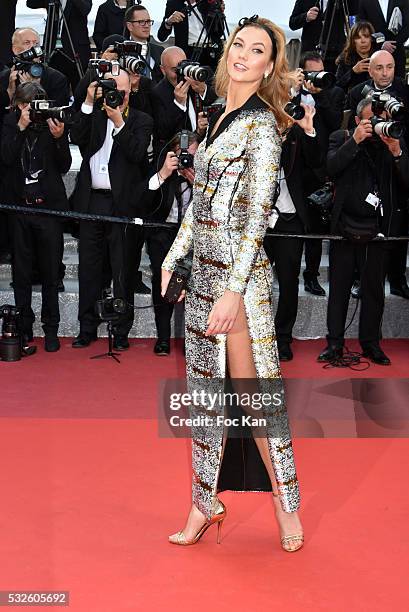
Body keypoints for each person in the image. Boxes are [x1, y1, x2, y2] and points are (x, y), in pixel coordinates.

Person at [161, 16, 303, 551]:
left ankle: (287, 507)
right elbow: (200, 207)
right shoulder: (216, 118)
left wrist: (234, 290)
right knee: (205, 402)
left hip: (240, 289)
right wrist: (176, 257)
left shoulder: (264, 126)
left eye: (257, 49)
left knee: (257, 401)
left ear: (270, 65)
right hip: (202, 282)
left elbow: (255, 218)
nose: (243, 54)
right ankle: (204, 504)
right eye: (238, 45)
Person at [318, 97, 409, 365]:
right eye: (372, 120)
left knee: (373, 292)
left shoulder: (392, 140)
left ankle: (371, 343)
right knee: (339, 290)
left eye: (381, 120)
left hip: (379, 230)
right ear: (358, 120)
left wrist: (396, 151)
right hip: (344, 228)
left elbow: (407, 182)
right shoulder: (341, 137)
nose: (378, 125)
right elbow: (331, 167)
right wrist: (355, 140)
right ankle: (334, 343)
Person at [69, 69, 153, 349]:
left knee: (122, 271)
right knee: (89, 270)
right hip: (92, 201)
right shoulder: (93, 114)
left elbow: (138, 154)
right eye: (112, 89)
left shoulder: (141, 120)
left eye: (123, 91)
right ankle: (87, 327)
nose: (117, 95)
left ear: (131, 92)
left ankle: (120, 331)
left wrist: (119, 124)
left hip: (122, 204)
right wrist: (90, 101)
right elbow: (77, 135)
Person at [0, 81, 71, 351]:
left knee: (52, 273)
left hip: (48, 210)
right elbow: (5, 158)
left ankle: (50, 329)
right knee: (21, 274)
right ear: (19, 106)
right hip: (19, 209)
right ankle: (23, 327)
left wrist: (58, 137)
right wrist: (20, 127)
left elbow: (64, 165)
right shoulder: (9, 123)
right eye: (30, 105)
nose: (35, 111)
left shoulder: (52, 123)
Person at [145, 131, 199, 356]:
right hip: (163, 235)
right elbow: (144, 199)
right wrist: (163, 174)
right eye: (182, 155)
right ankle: (164, 338)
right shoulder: (161, 169)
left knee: (194, 287)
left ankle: (193, 338)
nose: (186, 160)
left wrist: (199, 183)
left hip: (193, 236)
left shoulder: (204, 175)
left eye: (192, 156)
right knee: (164, 285)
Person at [151, 46, 216, 158]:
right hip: (176, 157)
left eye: (183, 65)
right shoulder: (157, 93)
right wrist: (178, 103)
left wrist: (203, 90)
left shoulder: (198, 75)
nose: (181, 73)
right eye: (175, 69)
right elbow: (163, 133)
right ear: (163, 70)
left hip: (206, 150)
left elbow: (220, 96)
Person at [26, 0, 92, 89]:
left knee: (79, 88)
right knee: (53, 87)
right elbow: (31, 3)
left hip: (75, 49)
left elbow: (85, 9)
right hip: (52, 50)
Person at [289, 1, 359, 72]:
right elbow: (292, 23)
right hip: (311, 53)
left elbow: (354, 9)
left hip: (335, 52)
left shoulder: (341, 1)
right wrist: (306, 16)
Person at [157, 0, 226, 69]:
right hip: (189, 53)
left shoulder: (207, 2)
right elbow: (161, 36)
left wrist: (220, 14)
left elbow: (219, 32)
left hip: (212, 51)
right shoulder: (174, 3)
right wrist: (169, 22)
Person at [357, 0, 409, 79]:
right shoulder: (364, 1)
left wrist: (394, 44)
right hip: (373, 52)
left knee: (398, 87)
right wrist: (381, 44)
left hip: (397, 53)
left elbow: (407, 26)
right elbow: (362, 27)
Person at [124, 4, 164, 84]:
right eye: (141, 22)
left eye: (148, 21)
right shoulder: (123, 51)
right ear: (130, 26)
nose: (147, 26)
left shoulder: (160, 51)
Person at [335, 20, 375, 92]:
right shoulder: (345, 58)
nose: (363, 41)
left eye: (366, 36)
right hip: (352, 100)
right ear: (353, 41)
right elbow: (337, 86)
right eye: (358, 37)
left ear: (371, 39)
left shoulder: (378, 56)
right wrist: (353, 71)